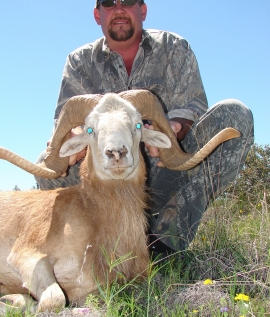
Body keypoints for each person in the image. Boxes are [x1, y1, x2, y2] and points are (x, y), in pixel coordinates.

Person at [36, 0, 254, 258]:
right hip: (106, 176)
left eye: (127, 1)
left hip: (162, 167)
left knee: (234, 115)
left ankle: (165, 244)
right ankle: (88, 247)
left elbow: (192, 108)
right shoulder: (79, 61)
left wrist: (174, 129)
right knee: (47, 169)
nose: (119, 9)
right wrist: (72, 140)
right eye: (108, 2)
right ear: (97, 14)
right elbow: (66, 122)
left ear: (143, 10)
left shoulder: (174, 48)